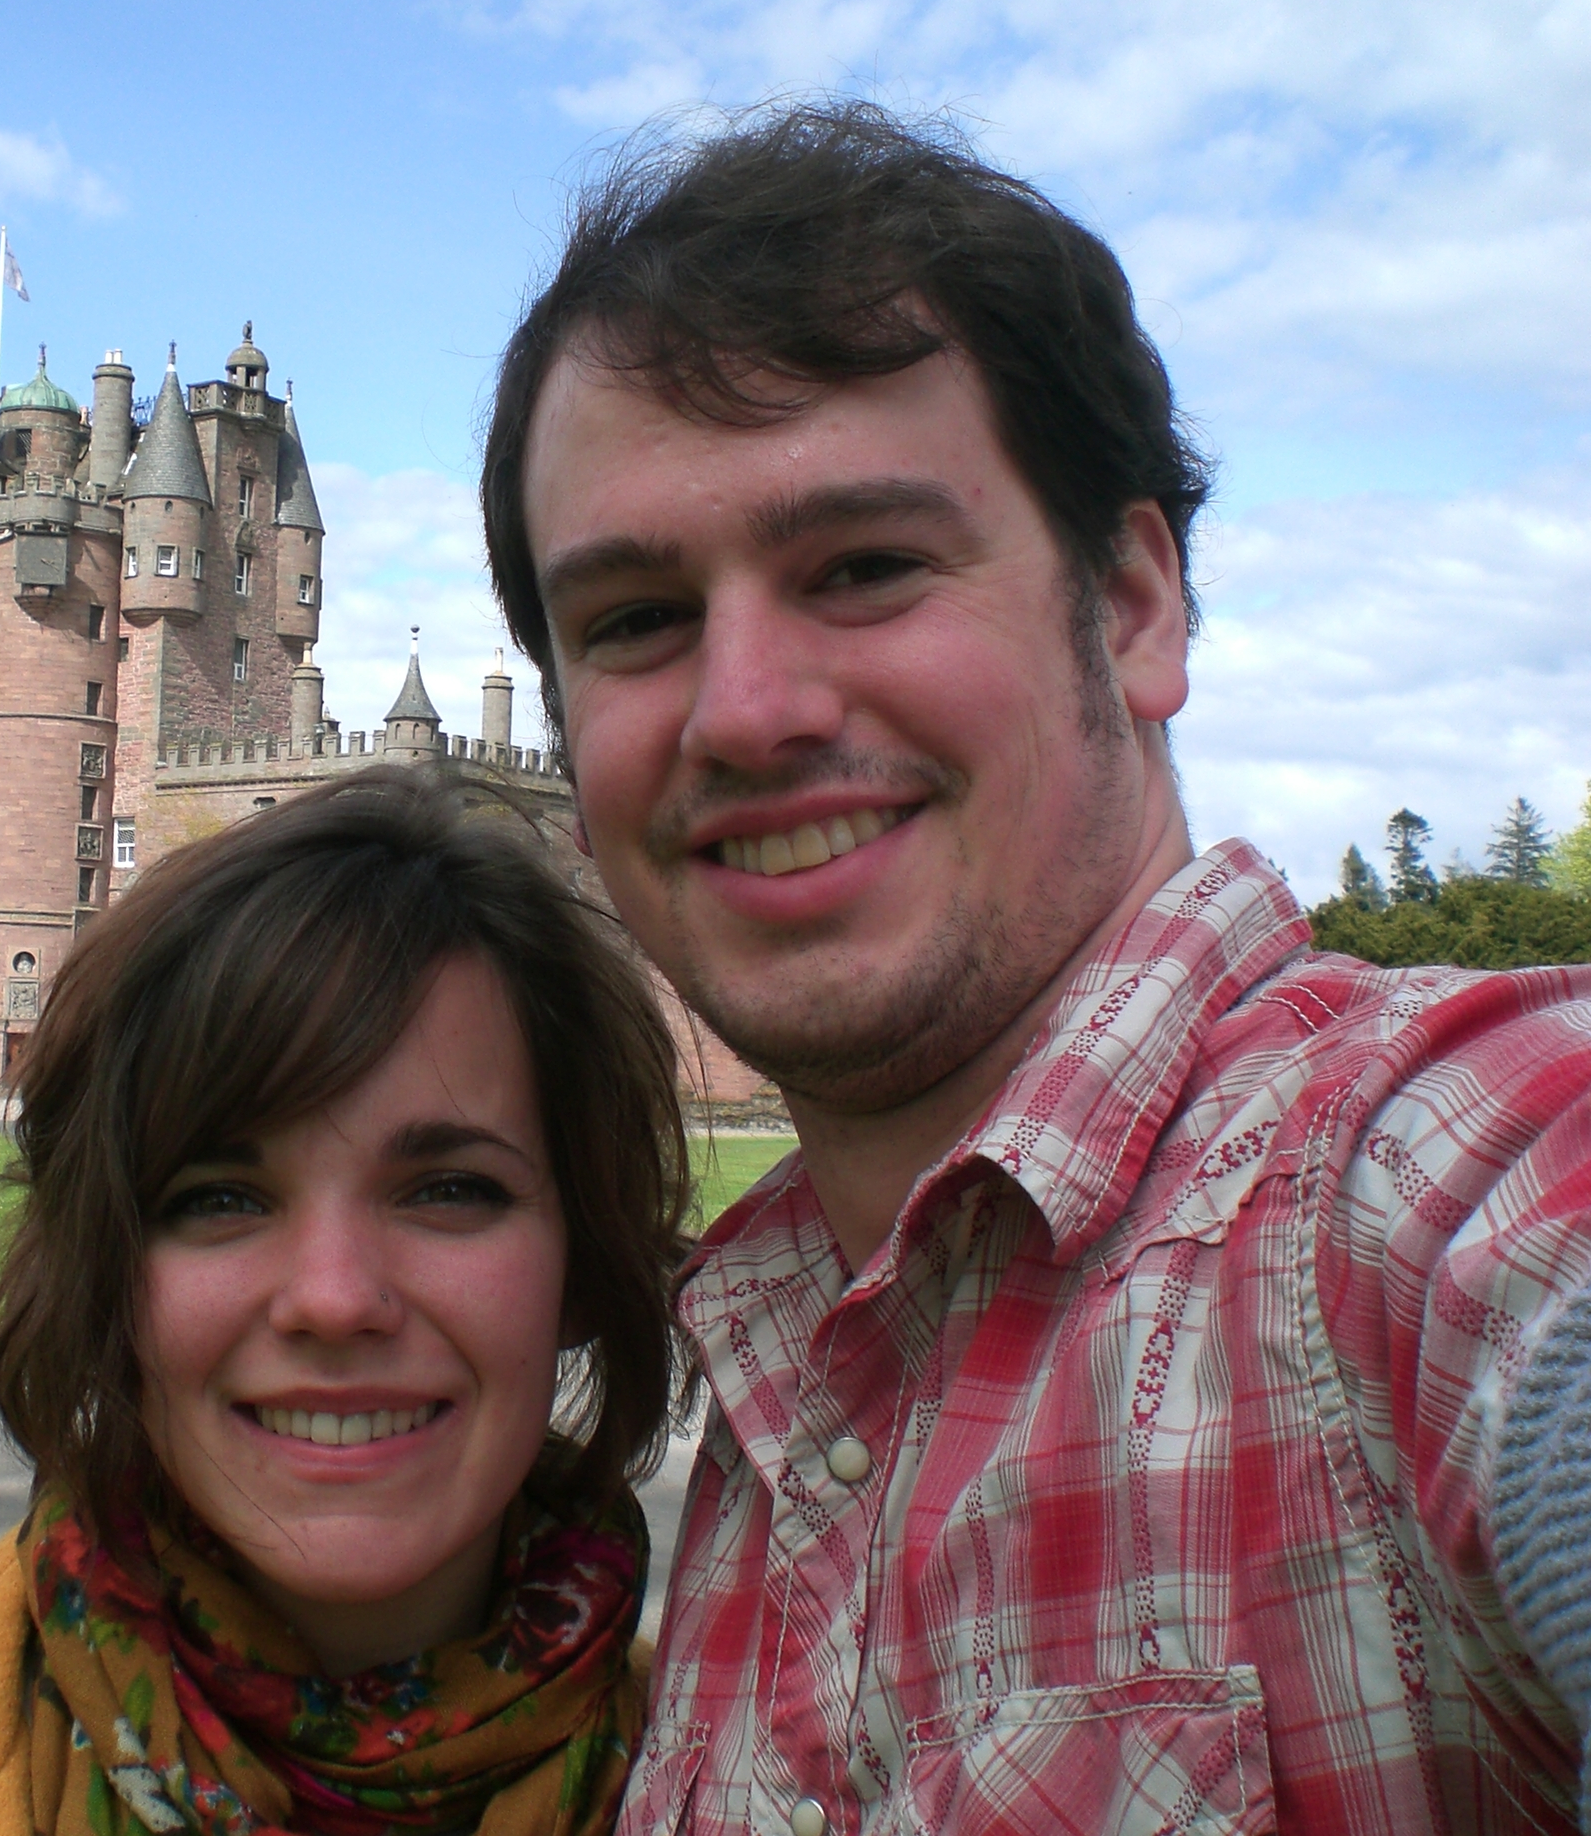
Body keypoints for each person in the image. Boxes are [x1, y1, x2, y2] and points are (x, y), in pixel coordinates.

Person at [481, 102, 1591, 1833]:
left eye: (863, 566)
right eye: (633, 619)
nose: (746, 708)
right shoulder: (759, 1411)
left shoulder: (1397, 1193)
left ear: (1137, 604)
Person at [0, 766, 696, 1836]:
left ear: (582, 1260)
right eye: (219, 1197)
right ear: (104, 1270)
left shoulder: (750, 1785)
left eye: (450, 1191)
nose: (332, 1298)